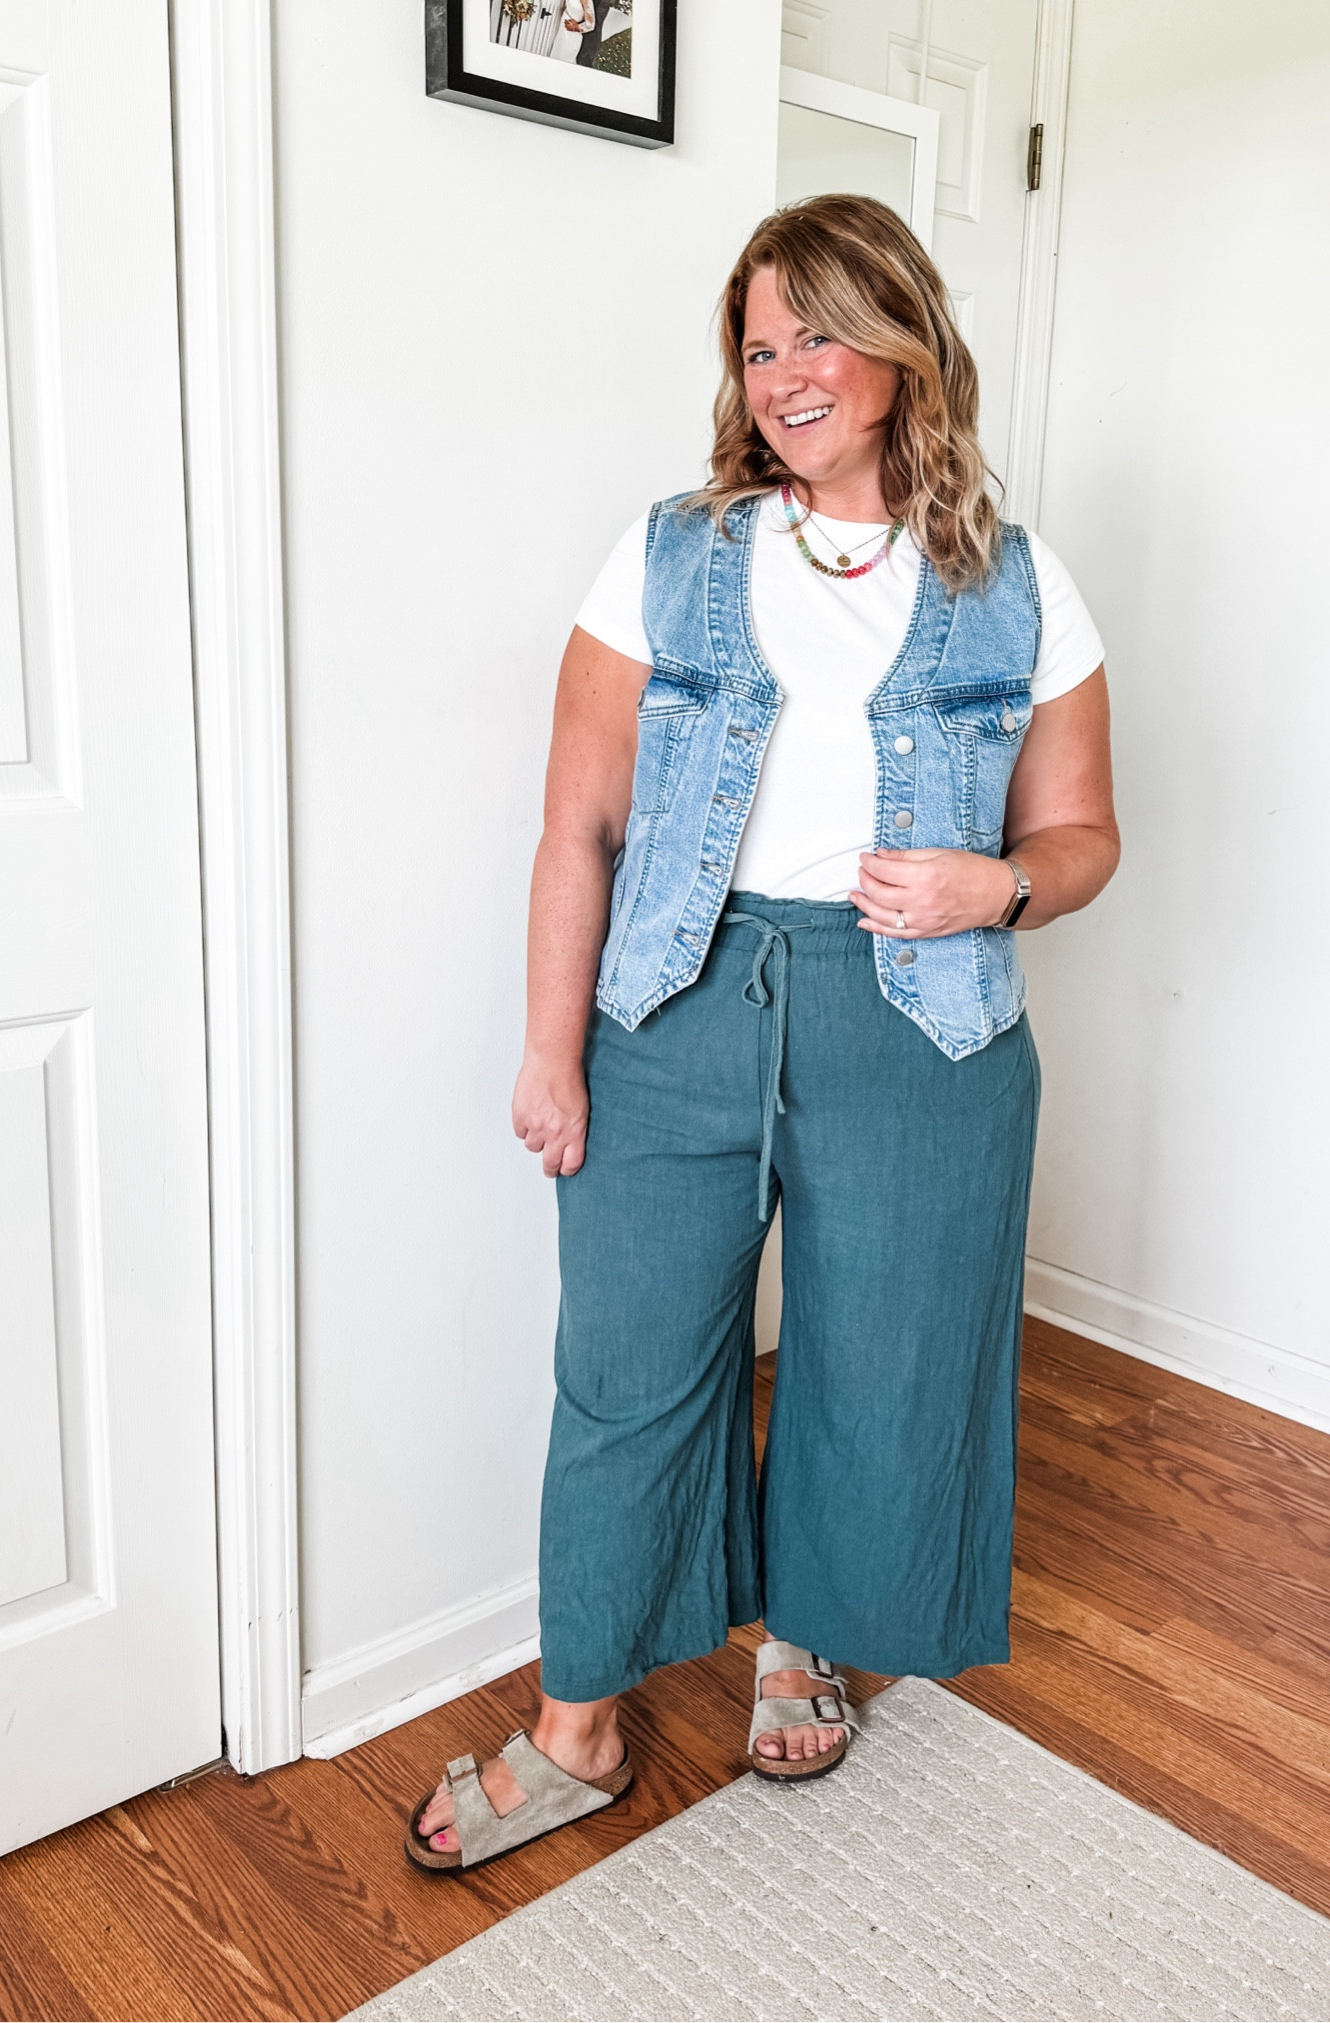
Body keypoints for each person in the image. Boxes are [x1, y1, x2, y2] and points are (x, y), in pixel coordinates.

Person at [406, 194, 1119, 1872]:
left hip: (920, 1023)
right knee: (628, 1378)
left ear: (897, 340)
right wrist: (550, 1048)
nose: (785, 372)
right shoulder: (666, 553)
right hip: (672, 1001)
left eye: (816, 331)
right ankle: (579, 1725)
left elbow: (1085, 837)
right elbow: (574, 825)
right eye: (758, 342)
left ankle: (805, 1636)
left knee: (882, 1368)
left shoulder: (1016, 582)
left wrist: (992, 887)